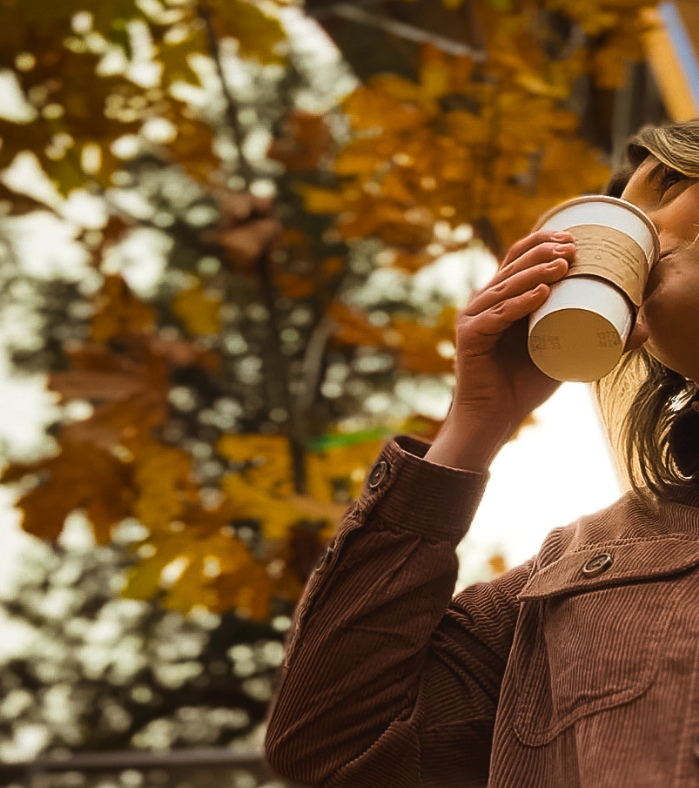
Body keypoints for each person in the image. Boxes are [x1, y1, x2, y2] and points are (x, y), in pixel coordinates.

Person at [264, 118, 699, 788]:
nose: (640, 230)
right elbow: (333, 745)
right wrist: (475, 424)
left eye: (671, 184)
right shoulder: (578, 571)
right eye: (629, 212)